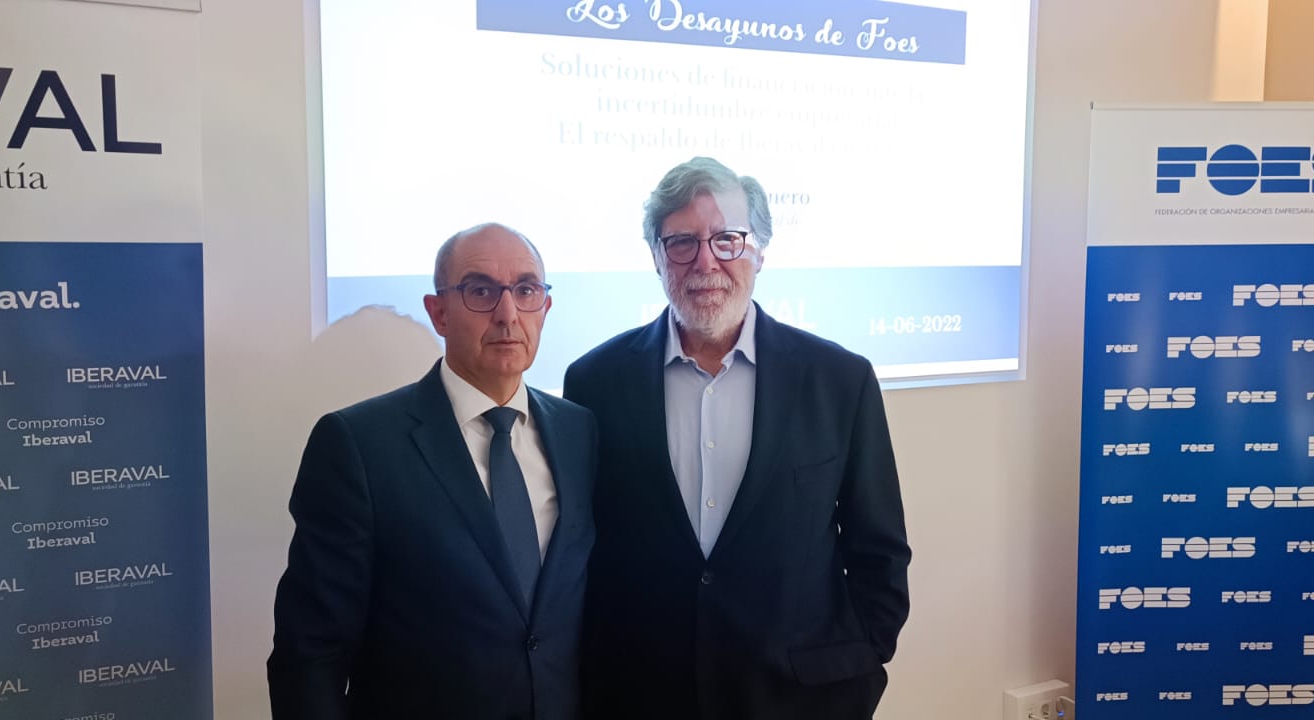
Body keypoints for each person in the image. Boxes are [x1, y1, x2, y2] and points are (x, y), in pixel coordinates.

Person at [564, 157, 911, 719]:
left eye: (727, 239)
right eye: (681, 242)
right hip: (643, 694)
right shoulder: (594, 381)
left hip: (799, 696)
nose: (706, 261)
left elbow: (880, 549)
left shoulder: (839, 380)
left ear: (759, 252)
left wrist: (861, 662)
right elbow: (583, 548)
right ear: (656, 258)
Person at [268, 223, 596, 720]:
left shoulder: (579, 432)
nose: (508, 314)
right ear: (439, 312)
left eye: (526, 290)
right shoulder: (358, 445)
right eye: (481, 290)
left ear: (544, 308)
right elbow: (311, 654)